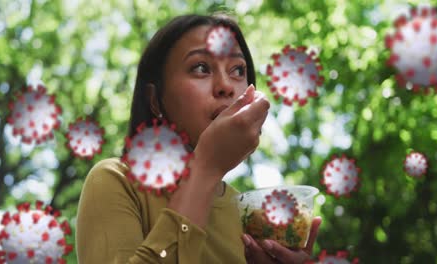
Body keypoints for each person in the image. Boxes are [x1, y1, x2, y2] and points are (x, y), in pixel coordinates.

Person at [76, 14, 321, 264]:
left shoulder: (248, 213)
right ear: (154, 100)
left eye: (238, 70)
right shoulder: (116, 180)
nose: (226, 86)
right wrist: (206, 169)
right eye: (201, 68)